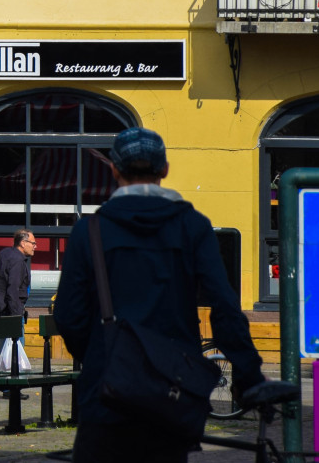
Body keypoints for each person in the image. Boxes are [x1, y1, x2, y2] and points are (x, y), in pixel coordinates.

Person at [54, 127, 263, 463]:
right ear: (164, 169)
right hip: (172, 395)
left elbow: (68, 315)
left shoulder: (89, 231)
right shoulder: (193, 226)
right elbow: (224, 306)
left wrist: (102, 353)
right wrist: (248, 374)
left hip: (107, 395)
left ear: (114, 170)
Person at [0, 229, 35, 373]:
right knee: (14, 353)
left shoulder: (4, 254)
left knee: (6, 352)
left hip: (0, 309)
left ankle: (7, 386)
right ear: (23, 243)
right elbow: (13, 290)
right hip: (12, 312)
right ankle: (12, 386)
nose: (35, 246)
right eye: (33, 243)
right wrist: (17, 317)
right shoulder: (17, 261)